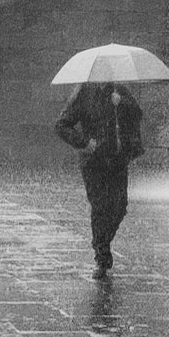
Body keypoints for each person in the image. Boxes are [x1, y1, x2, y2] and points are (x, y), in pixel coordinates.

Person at [55, 81, 145, 278]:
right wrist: (83, 142)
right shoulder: (85, 92)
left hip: (117, 159)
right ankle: (102, 257)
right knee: (100, 206)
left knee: (119, 207)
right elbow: (61, 125)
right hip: (93, 162)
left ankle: (102, 242)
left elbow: (138, 114)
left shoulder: (120, 89)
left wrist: (121, 103)